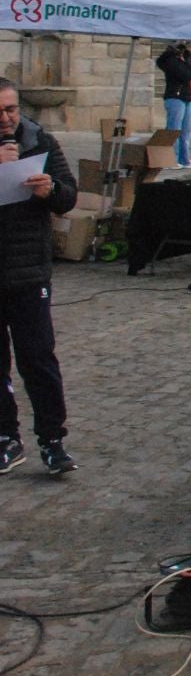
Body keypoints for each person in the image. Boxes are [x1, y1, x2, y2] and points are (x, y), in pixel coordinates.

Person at [0, 78, 79, 475]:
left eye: (11, 109)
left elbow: (69, 197)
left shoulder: (40, 141)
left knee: (38, 358)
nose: (6, 118)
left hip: (28, 270)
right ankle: (6, 438)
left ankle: (53, 439)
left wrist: (51, 189)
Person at [155, 41, 191, 169]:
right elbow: (184, 75)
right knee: (174, 129)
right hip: (175, 97)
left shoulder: (186, 59)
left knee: (185, 131)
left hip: (187, 96)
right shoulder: (170, 60)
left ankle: (184, 159)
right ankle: (171, 159)